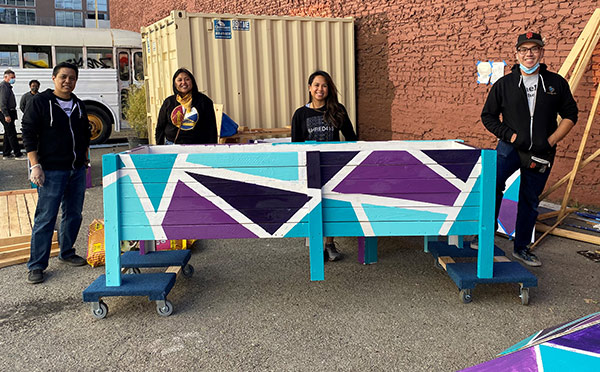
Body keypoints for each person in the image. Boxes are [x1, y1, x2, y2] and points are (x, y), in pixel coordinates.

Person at [481, 32, 578, 267]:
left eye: (534, 49)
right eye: (524, 49)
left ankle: (522, 247)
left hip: (541, 153)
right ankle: (486, 235)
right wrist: (511, 136)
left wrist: (551, 140)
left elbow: (570, 115)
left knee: (529, 199)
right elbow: (488, 116)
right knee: (492, 187)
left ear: (542, 52)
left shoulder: (556, 83)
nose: (529, 54)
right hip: (509, 149)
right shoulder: (504, 84)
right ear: (517, 54)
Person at [21, 62, 91, 284]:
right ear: (53, 78)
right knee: (46, 217)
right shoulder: (40, 102)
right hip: (51, 170)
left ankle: (67, 252)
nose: (67, 81)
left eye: (72, 78)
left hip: (76, 169)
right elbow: (28, 133)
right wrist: (35, 165)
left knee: (73, 214)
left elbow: (84, 134)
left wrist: (84, 158)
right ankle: (36, 265)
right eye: (63, 77)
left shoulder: (78, 105)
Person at [291, 70, 358, 262]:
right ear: (310, 88)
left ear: (329, 89)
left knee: (332, 206)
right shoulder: (300, 114)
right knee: (313, 207)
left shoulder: (338, 110)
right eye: (317, 85)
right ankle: (317, 247)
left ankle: (330, 244)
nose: (321, 89)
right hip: (311, 169)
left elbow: (351, 138)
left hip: (333, 168)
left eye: (325, 85)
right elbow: (295, 144)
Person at [155, 68, 218, 145]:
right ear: (174, 84)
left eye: (187, 79)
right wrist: (159, 147)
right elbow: (160, 127)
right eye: (179, 80)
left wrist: (212, 148)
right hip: (172, 146)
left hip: (198, 147)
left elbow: (211, 129)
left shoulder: (204, 101)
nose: (183, 82)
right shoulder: (169, 102)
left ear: (192, 81)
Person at [0, 69, 25, 160]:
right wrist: (6, 114)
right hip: (5, 112)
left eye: (14, 77)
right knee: (12, 133)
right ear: (5, 77)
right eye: (12, 77)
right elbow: (2, 102)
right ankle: (18, 154)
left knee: (7, 133)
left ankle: (6, 153)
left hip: (9, 112)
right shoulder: (4, 86)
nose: (13, 79)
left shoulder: (8, 86)